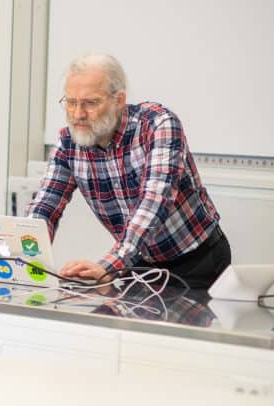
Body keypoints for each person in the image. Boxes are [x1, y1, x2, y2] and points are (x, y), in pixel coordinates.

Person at [26, 53, 231, 289]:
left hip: (197, 260)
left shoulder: (158, 125)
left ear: (119, 100)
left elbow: (154, 203)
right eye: (71, 102)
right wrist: (23, 254)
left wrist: (111, 265)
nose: (78, 114)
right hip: (137, 262)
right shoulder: (68, 141)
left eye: (90, 103)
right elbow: (45, 205)